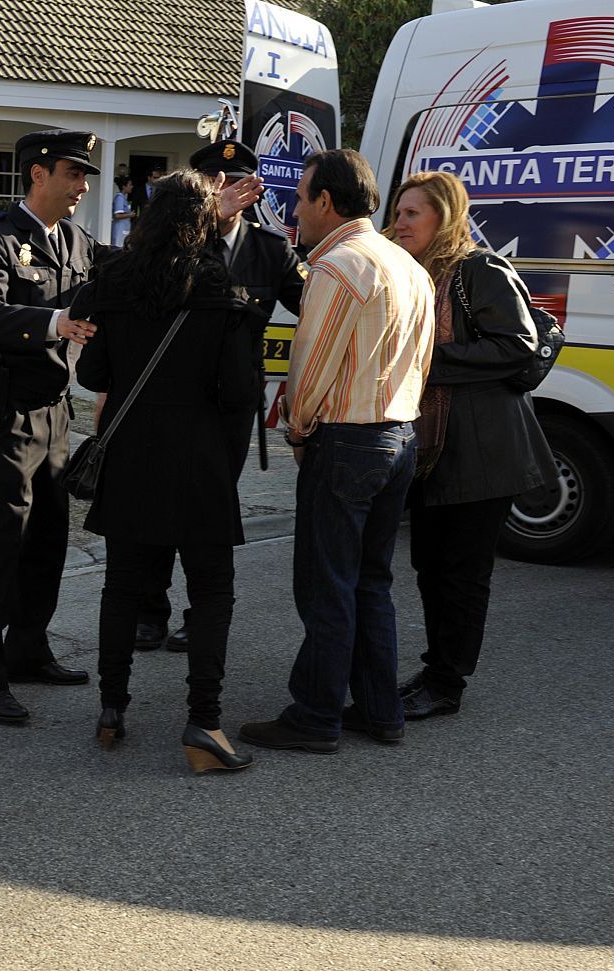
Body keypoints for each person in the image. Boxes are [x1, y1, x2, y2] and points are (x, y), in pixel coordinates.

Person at [239, 148, 434, 754]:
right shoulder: (407, 264)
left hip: (347, 438)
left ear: (326, 202)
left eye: (300, 198)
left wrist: (298, 432)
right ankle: (380, 711)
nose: (295, 210)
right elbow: (424, 362)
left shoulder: (338, 267)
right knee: (370, 580)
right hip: (398, 432)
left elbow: (310, 367)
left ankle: (316, 713)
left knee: (327, 583)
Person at [74, 170, 256, 772]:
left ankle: (111, 709)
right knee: (211, 591)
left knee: (122, 585)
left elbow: (93, 376)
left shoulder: (116, 280)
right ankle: (203, 721)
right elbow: (238, 390)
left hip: (132, 450)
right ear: (204, 221)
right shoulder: (218, 286)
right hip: (200, 454)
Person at [384, 171, 556, 720]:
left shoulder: (479, 270)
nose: (401, 221)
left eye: (414, 213)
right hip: (435, 446)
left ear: (445, 216)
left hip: (485, 449)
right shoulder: (413, 271)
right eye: (400, 210)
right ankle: (437, 669)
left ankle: (446, 683)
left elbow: (517, 347)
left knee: (461, 572)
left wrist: (424, 362)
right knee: (431, 566)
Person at [131, 138, 307, 655]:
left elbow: (317, 308)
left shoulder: (272, 250)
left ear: (254, 190)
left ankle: (198, 612)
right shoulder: (176, 242)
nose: (226, 191)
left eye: (235, 182)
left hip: (229, 404)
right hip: (171, 398)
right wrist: (205, 221)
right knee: (160, 499)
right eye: (215, 182)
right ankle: (149, 609)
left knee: (208, 511)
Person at [0, 128, 102, 725]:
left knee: (47, 538)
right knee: (5, 541)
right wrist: (54, 322)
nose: (82, 185)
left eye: (84, 174)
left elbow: (128, 268)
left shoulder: (74, 239)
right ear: (38, 174)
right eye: (73, 172)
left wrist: (203, 215)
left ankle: (28, 648)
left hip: (56, 409)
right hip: (9, 410)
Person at [110, 175, 135, 248]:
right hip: (119, 231)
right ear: (124, 186)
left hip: (124, 231)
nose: (132, 187)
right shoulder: (119, 198)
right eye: (130, 185)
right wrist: (130, 215)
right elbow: (117, 215)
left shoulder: (123, 198)